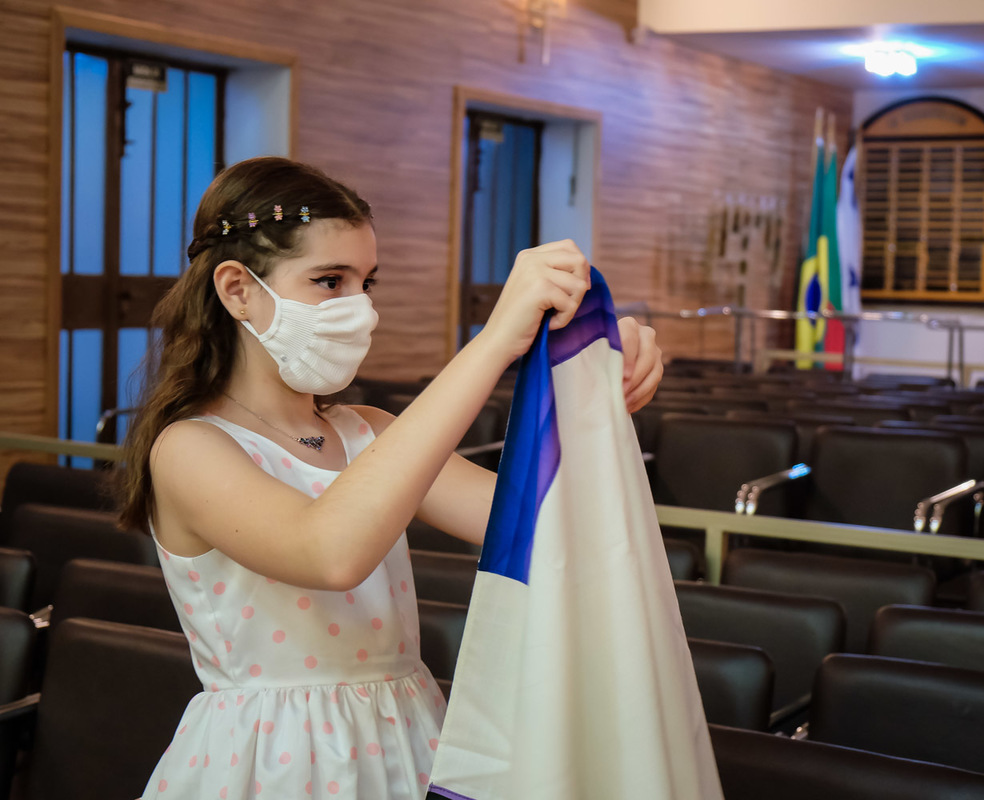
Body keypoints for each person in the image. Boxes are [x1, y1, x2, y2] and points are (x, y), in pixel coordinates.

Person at [118, 157, 664, 799]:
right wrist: (494, 342)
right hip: (275, 760)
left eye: (366, 283)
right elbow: (329, 552)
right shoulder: (190, 447)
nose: (360, 309)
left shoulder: (367, 432)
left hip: (407, 737)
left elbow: (542, 525)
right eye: (329, 280)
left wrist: (591, 393)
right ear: (238, 290)